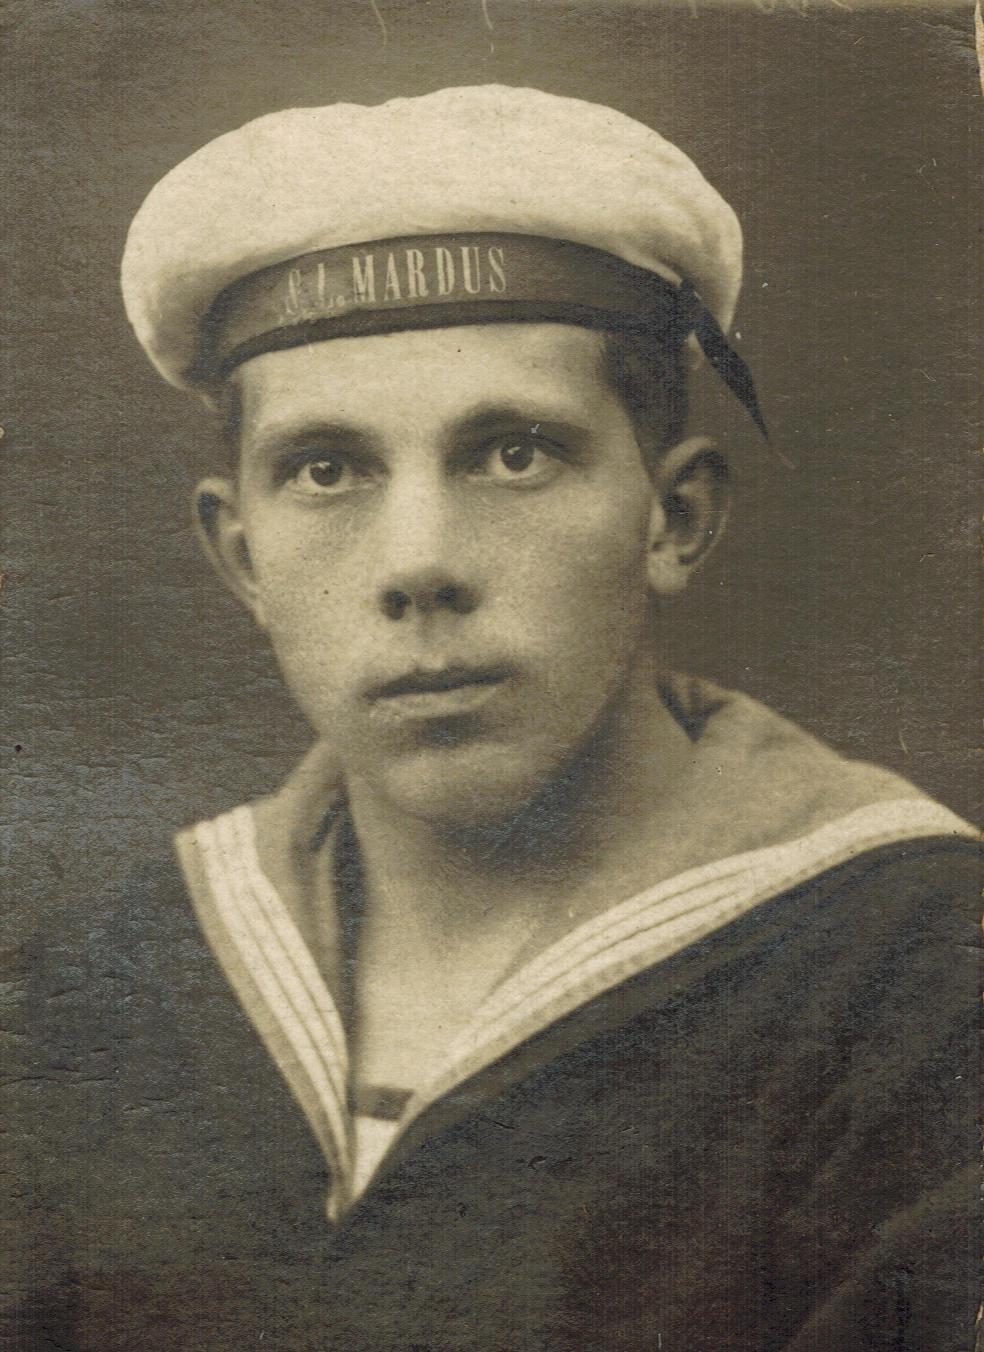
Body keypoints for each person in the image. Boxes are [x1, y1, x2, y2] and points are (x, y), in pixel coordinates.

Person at [29, 86, 976, 1350]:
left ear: (675, 517)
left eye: (513, 452)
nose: (419, 562)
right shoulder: (104, 987)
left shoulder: (916, 975)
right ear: (242, 557)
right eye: (327, 469)